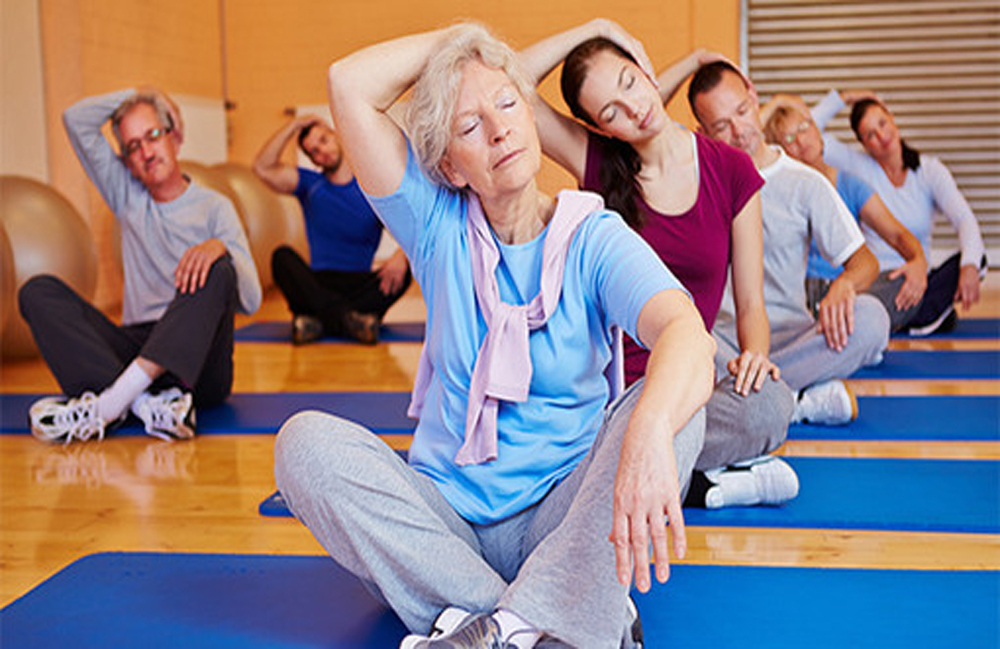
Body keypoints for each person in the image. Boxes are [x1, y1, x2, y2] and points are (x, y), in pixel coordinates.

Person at [273, 23, 716, 648]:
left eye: (508, 104)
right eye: (470, 125)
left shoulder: (594, 236)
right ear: (450, 166)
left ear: (533, 120)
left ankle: (487, 627)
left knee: (675, 406)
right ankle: (546, 619)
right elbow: (349, 83)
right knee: (304, 445)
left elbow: (687, 335)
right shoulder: (433, 224)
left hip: (562, 522)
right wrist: (465, 36)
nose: (500, 128)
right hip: (446, 524)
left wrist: (646, 432)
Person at [518, 19, 797, 510]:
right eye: (612, 111)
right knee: (596, 436)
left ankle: (651, 475)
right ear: (602, 127)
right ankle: (696, 481)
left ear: (644, 68)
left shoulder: (732, 170)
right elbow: (511, 80)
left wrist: (756, 353)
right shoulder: (600, 165)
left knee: (770, 406)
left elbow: (751, 301)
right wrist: (596, 27)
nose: (635, 110)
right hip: (607, 397)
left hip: (686, 383)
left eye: (629, 82)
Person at [19, 88, 261, 443]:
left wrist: (218, 247)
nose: (146, 152)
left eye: (152, 136)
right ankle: (144, 404)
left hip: (197, 369)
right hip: (136, 347)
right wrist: (142, 93)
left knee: (220, 266)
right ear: (127, 162)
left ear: (174, 136)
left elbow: (252, 300)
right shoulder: (127, 195)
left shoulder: (215, 207)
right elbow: (76, 119)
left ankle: (112, 403)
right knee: (36, 292)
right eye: (133, 146)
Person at [686, 61, 890, 426]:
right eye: (721, 126)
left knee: (872, 319)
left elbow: (865, 262)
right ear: (702, 132)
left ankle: (759, 396)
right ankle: (796, 402)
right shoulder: (696, 185)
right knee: (678, 337)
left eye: (743, 112)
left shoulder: (805, 182)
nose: (739, 131)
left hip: (793, 339)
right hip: (724, 346)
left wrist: (844, 284)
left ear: (754, 97)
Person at [806, 89, 987, 334]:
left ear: (892, 118)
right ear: (863, 143)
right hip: (879, 281)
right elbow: (808, 133)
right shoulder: (859, 166)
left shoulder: (929, 171)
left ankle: (911, 313)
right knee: (869, 304)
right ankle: (920, 315)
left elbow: (964, 219)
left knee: (977, 259)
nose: (881, 135)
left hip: (919, 276)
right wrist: (846, 97)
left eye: (882, 123)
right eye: (870, 134)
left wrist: (969, 266)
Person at [762, 99, 929, 328]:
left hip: (847, 288)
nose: (801, 140)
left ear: (818, 131)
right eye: (789, 138)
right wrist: (778, 101)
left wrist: (919, 262)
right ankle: (840, 330)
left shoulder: (851, 185)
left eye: (804, 127)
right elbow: (746, 143)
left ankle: (837, 328)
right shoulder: (783, 190)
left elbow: (897, 234)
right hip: (800, 293)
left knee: (898, 285)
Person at [252, 114, 411, 344]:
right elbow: (262, 168)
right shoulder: (309, 185)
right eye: (314, 151)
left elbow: (410, 229)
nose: (321, 152)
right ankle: (352, 321)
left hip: (359, 284)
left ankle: (316, 321)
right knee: (281, 257)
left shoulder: (370, 187)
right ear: (313, 161)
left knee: (405, 269)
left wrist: (401, 255)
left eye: (324, 141)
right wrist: (293, 125)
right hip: (318, 283)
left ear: (337, 136)